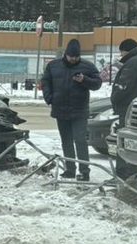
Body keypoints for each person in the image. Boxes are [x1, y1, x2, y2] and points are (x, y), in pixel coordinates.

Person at [41, 38, 102, 181]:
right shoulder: (53, 66)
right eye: (71, 57)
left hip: (79, 110)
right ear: (66, 54)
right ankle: (70, 169)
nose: (73, 59)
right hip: (60, 109)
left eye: (76, 57)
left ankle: (84, 170)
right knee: (66, 141)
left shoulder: (88, 66)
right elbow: (45, 81)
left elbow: (97, 83)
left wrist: (84, 80)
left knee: (80, 140)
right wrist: (49, 97)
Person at [110, 38, 137, 179]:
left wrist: (115, 98)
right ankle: (131, 173)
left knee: (124, 142)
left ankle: (123, 174)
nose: (120, 55)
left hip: (127, 108)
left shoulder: (132, 63)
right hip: (136, 108)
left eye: (121, 52)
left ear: (125, 50)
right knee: (132, 142)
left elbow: (124, 86)